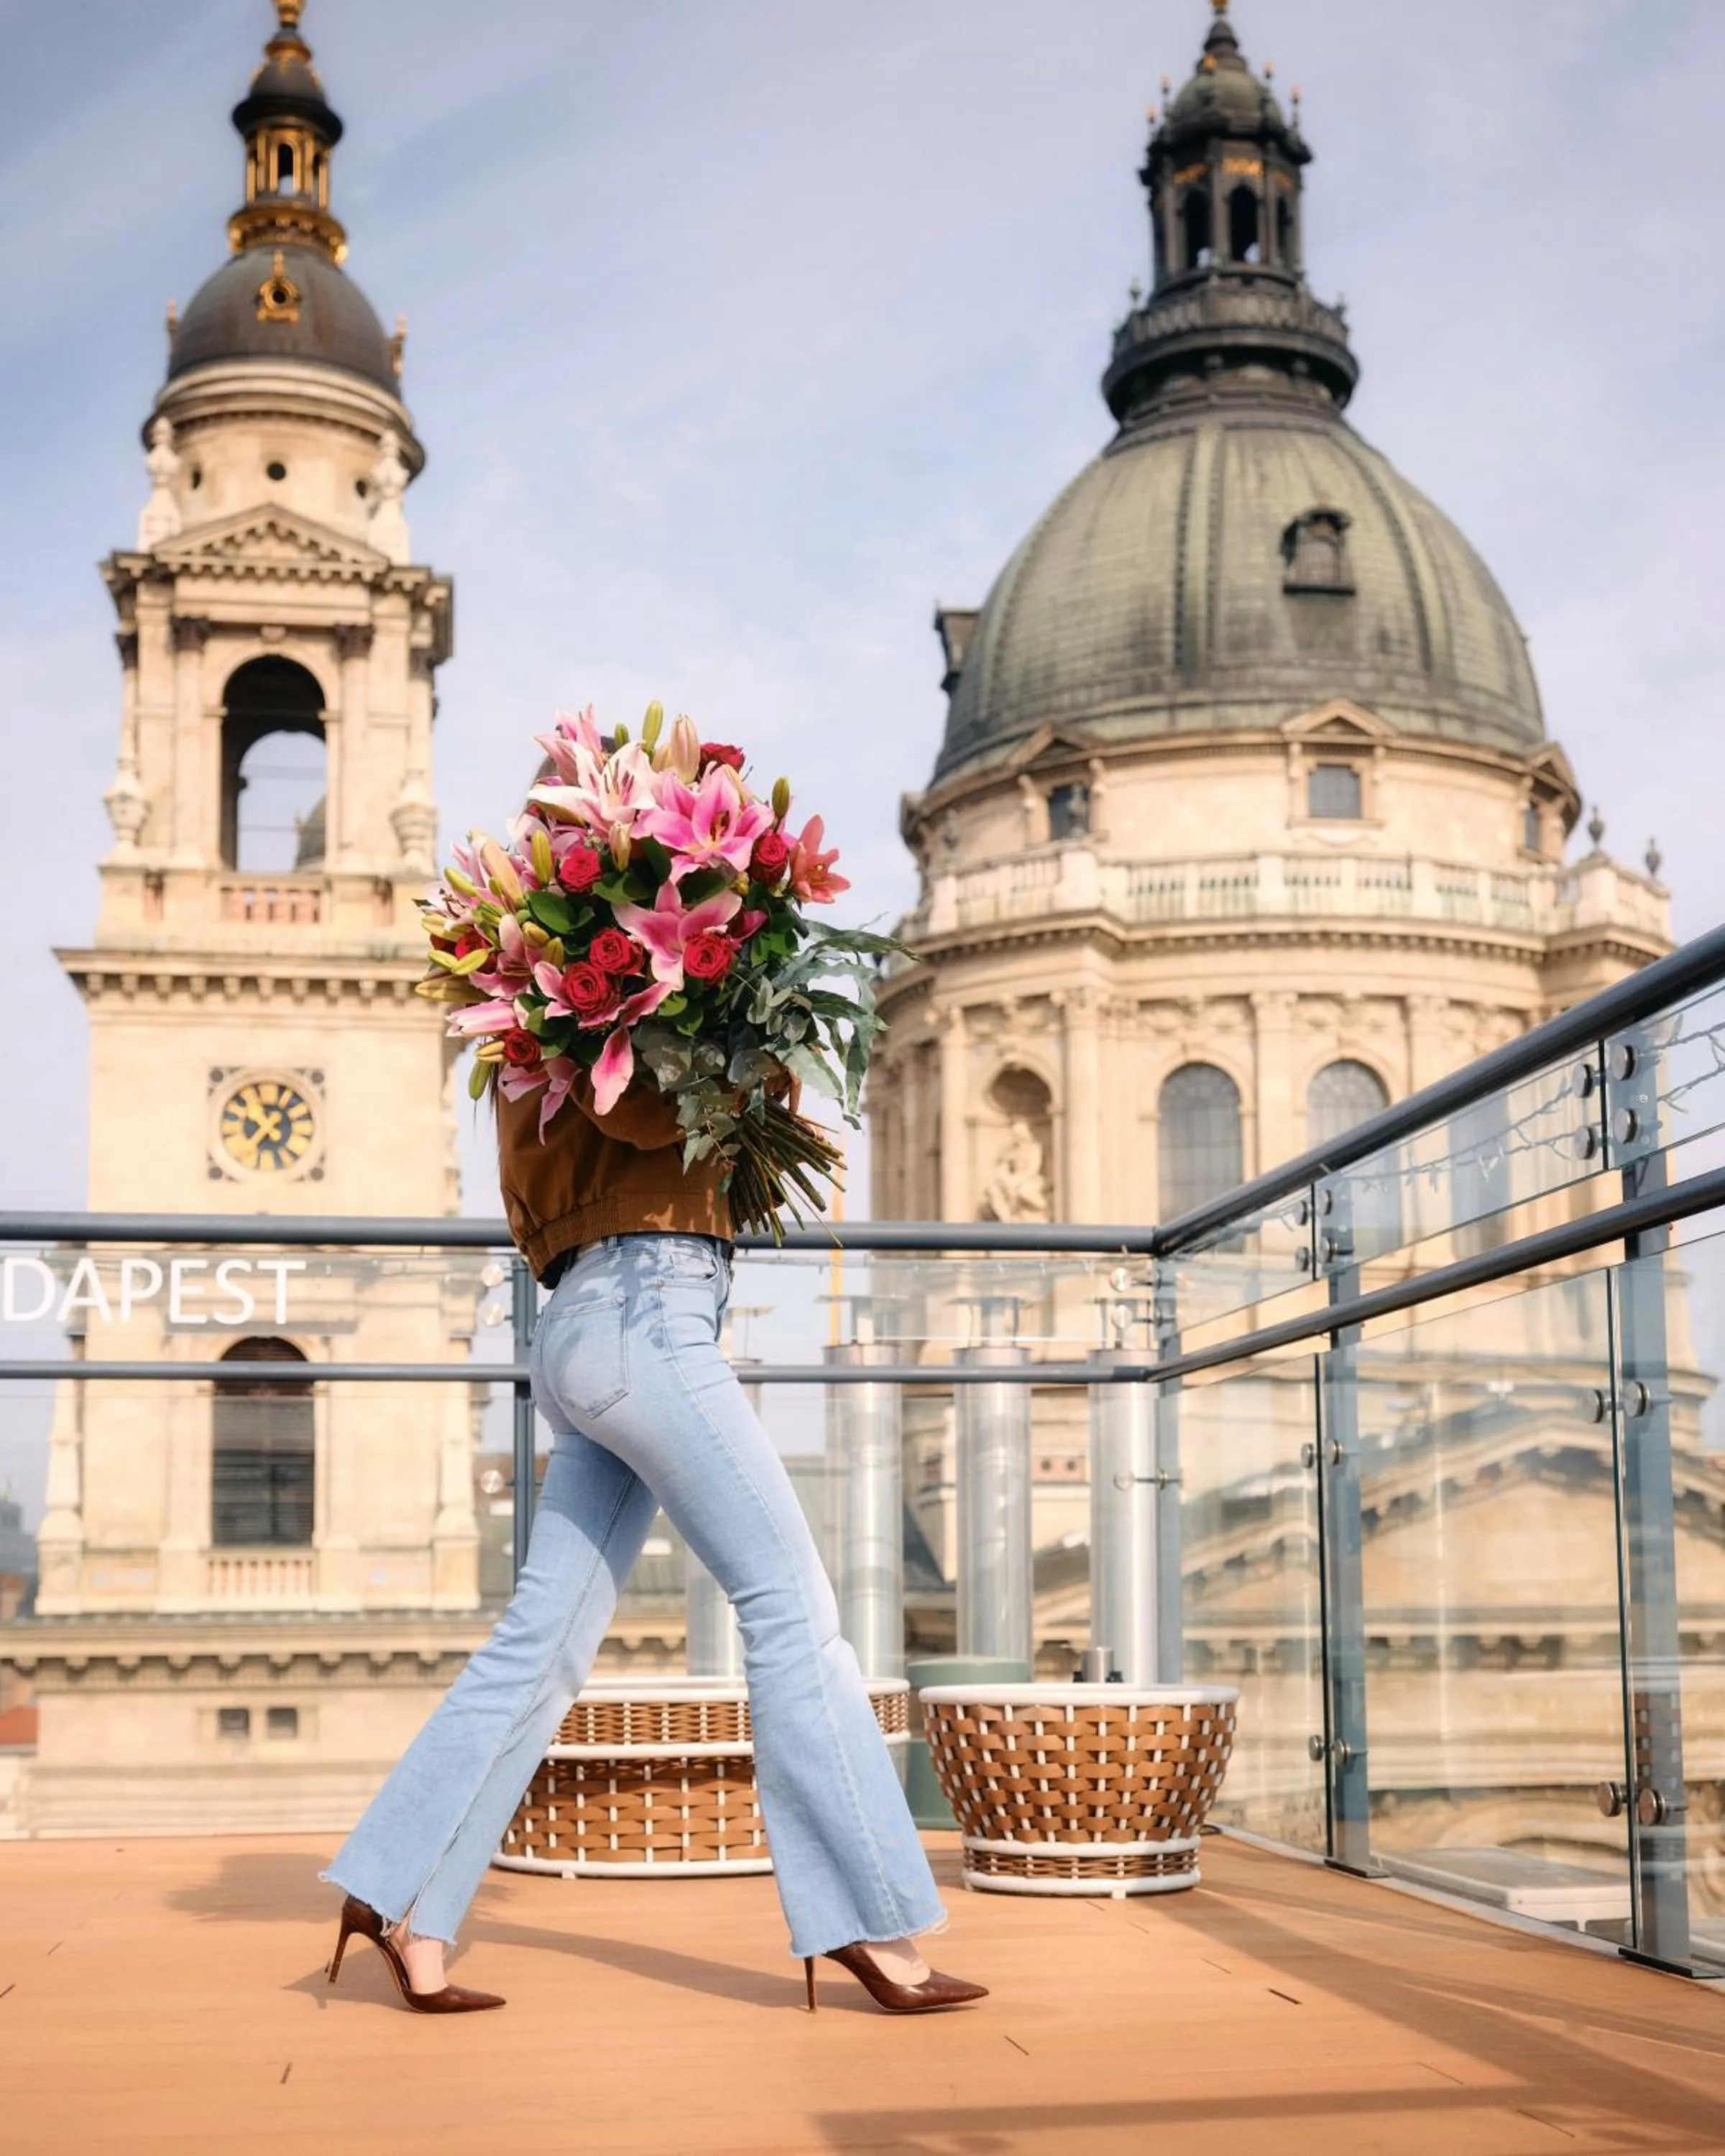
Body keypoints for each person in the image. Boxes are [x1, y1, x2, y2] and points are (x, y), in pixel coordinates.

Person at [322, 1065, 986, 2018]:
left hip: (583, 1318)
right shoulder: (610, 955)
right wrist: (750, 1077)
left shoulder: (527, 1001)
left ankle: (406, 1902)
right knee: (791, 1608)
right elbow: (638, 1108)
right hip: (649, 1312)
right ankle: (872, 1923)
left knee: (543, 1642)